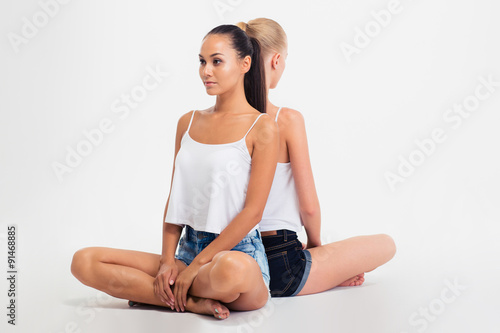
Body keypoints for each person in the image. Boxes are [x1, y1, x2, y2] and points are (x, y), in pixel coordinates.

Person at [70, 24, 279, 319]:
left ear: (245, 64)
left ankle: (159, 293)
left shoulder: (263, 127)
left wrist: (195, 269)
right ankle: (191, 302)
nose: (206, 71)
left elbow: (253, 212)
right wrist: (168, 260)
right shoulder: (188, 122)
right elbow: (176, 198)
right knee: (84, 261)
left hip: (236, 255)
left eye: (216, 61)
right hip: (187, 252)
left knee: (232, 271)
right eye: (202, 61)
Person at [236, 18, 397, 297]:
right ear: (276, 60)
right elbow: (309, 206)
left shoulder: (217, 122)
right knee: (386, 244)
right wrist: (315, 245)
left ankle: (325, 273)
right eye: (285, 59)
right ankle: (324, 275)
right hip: (281, 265)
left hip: (235, 261)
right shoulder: (285, 120)